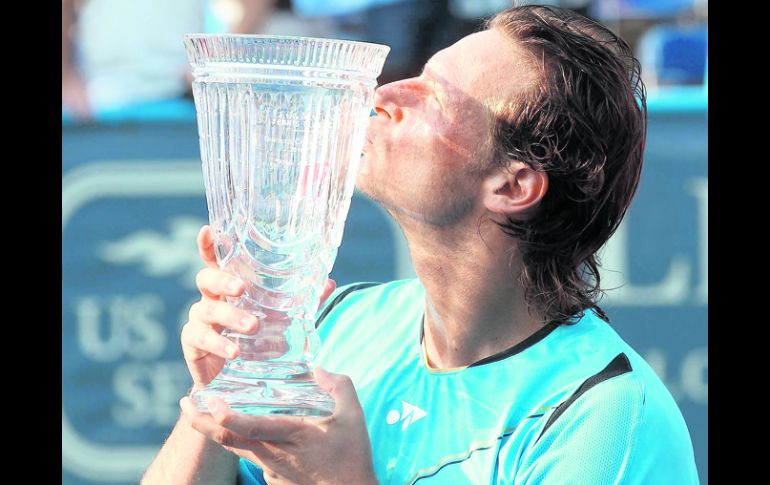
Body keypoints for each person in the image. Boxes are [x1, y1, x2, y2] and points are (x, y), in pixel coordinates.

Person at [142, 5, 700, 484]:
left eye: (434, 96)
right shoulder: (332, 324)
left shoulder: (605, 420)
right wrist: (219, 395)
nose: (385, 92)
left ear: (511, 184)